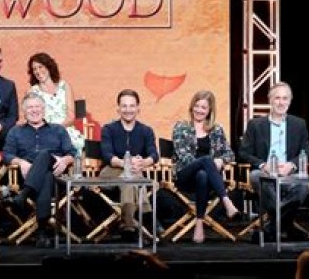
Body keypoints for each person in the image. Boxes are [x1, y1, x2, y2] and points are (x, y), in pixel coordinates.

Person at [239, 81, 309, 241]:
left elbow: (306, 152)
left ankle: (271, 228)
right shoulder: (255, 124)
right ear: (270, 100)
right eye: (277, 98)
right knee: (256, 176)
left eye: (285, 98)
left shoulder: (299, 124)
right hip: (265, 172)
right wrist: (263, 165)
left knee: (303, 185)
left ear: (290, 101)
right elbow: (243, 152)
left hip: (289, 173)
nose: (281, 102)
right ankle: (288, 225)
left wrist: (291, 165)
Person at [3, 92, 76, 247]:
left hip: (57, 175)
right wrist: (21, 162)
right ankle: (42, 232)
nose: (34, 110)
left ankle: (23, 195)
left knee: (45, 155)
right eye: (30, 107)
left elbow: (72, 153)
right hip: (26, 175)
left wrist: (64, 160)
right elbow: (7, 155)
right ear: (24, 111)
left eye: (37, 106)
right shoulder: (15, 131)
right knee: (46, 176)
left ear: (43, 109)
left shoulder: (58, 130)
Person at [171, 90, 241, 243]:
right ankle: (226, 201)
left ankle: (199, 225)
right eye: (197, 106)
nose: (199, 110)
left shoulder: (216, 130)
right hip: (185, 176)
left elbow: (230, 154)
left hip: (209, 180)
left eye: (203, 107)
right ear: (192, 107)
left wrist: (221, 160)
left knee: (202, 174)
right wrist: (207, 162)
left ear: (210, 110)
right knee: (206, 161)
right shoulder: (181, 127)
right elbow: (184, 156)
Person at [100, 89, 158, 239]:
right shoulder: (108, 129)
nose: (128, 110)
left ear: (138, 108)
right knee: (132, 175)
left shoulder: (146, 131)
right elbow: (107, 155)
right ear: (118, 108)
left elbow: (154, 155)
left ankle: (128, 226)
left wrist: (143, 162)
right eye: (124, 106)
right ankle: (147, 216)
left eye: (132, 106)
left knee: (130, 179)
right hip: (110, 172)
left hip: (134, 174)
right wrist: (126, 163)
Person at [26, 52, 85, 152]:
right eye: (34, 69)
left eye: (40, 67)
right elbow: (31, 120)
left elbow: (71, 117)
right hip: (45, 133)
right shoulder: (32, 92)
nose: (38, 71)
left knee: (73, 144)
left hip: (65, 129)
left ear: (48, 66)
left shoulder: (64, 86)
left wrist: (57, 130)